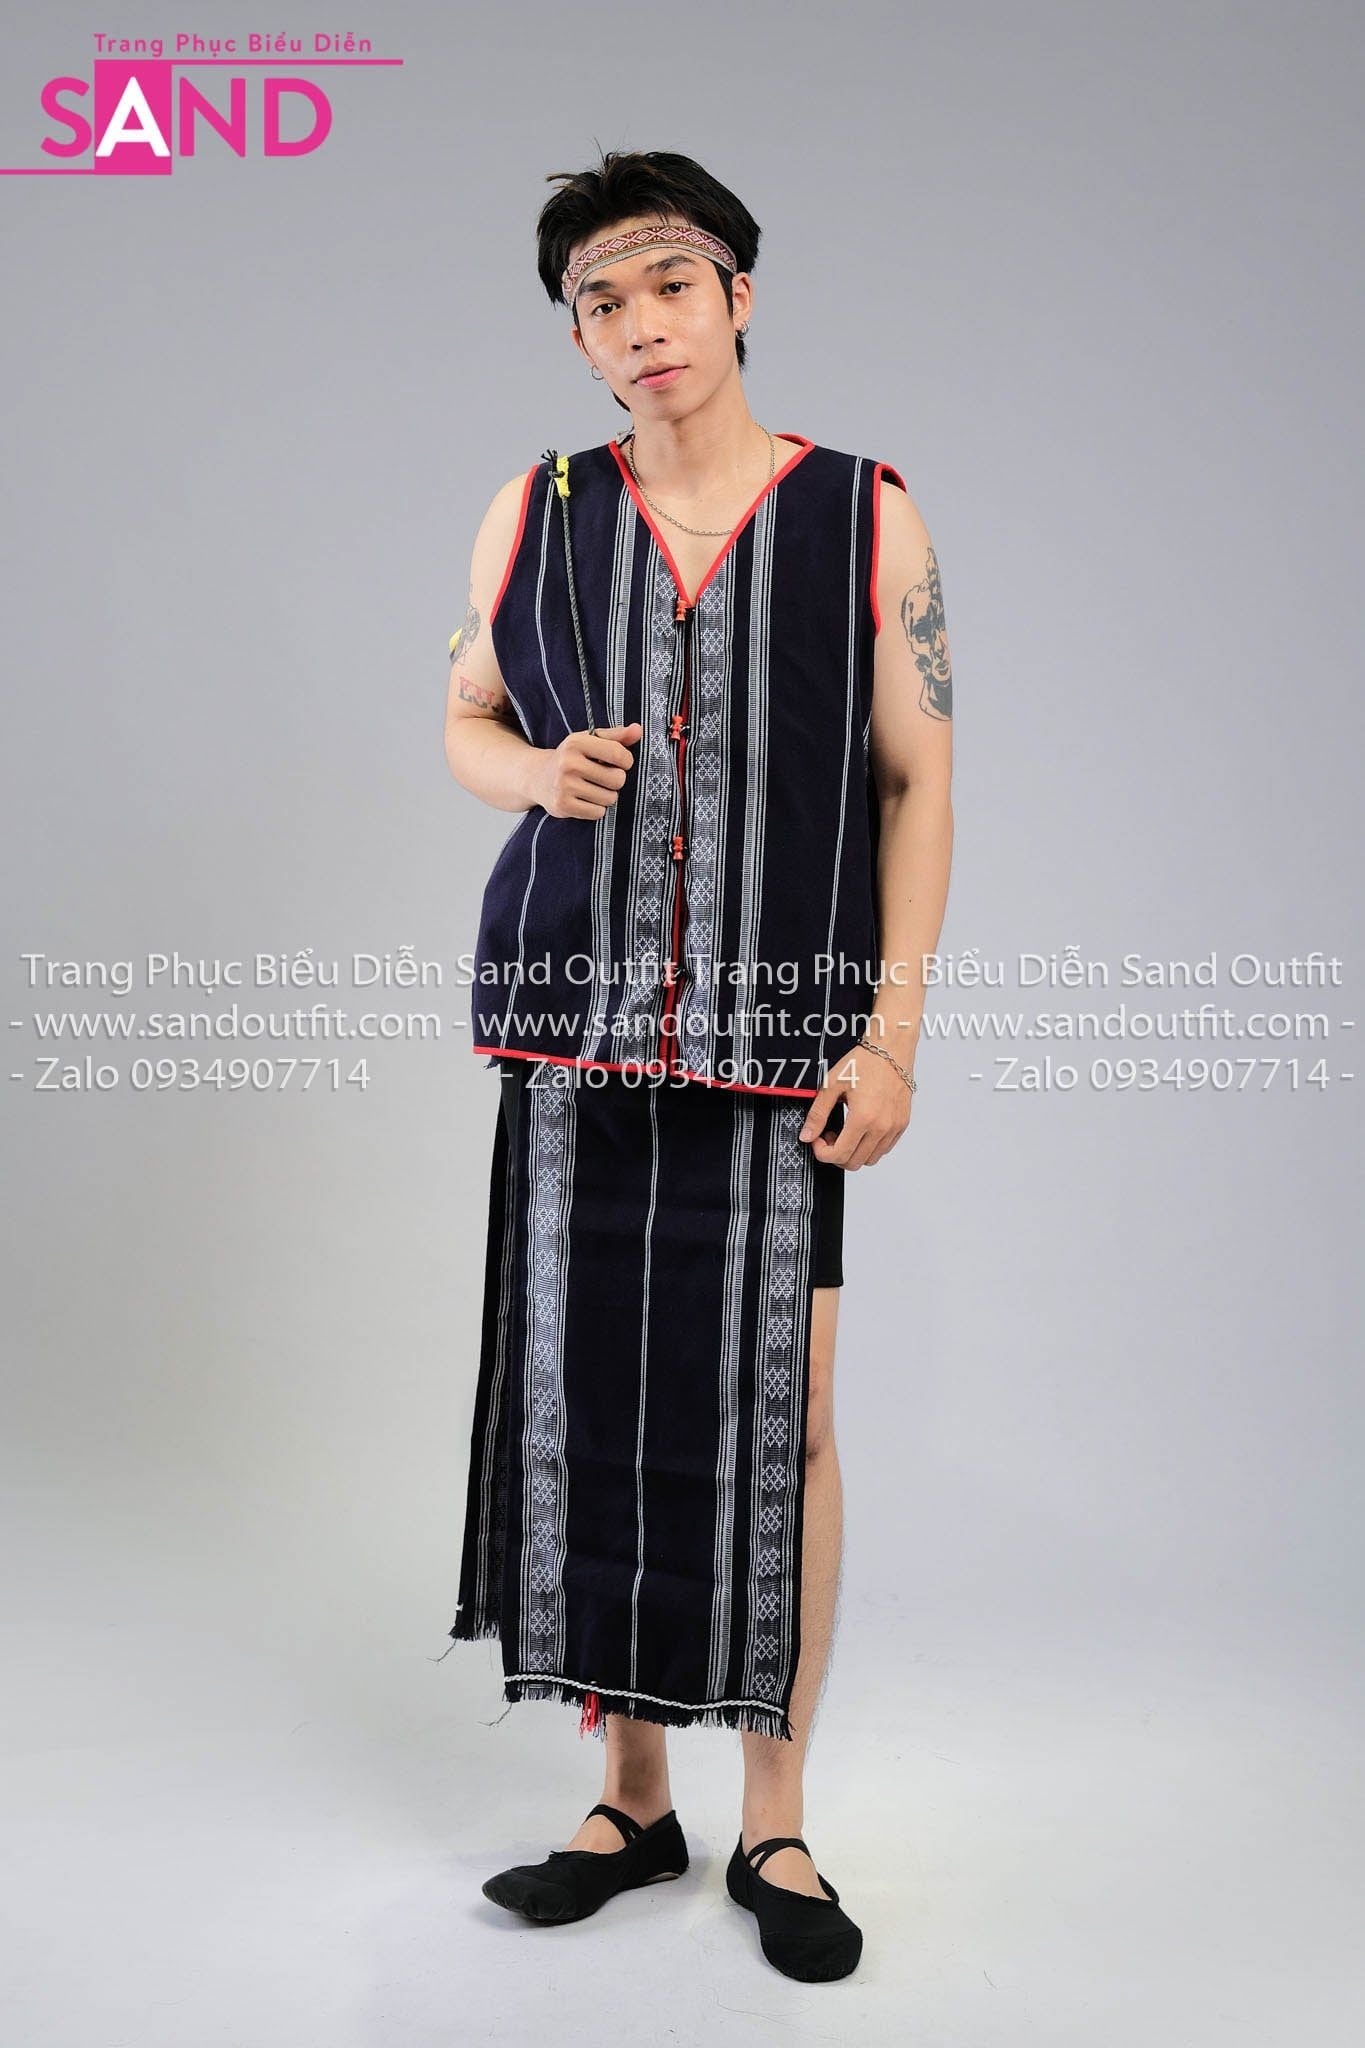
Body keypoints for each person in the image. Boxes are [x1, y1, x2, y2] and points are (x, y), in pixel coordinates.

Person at [441, 148, 953, 1982]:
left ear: (738, 293)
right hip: (573, 1026)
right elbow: (464, 716)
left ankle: (777, 1821)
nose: (640, 322)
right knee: (588, 1410)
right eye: (600, 299)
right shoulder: (537, 507)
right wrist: (535, 772)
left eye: (669, 281)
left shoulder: (863, 512)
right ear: (576, 338)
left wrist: (889, 1034)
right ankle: (630, 1800)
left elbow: (915, 780)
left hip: (780, 1043)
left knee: (781, 1419)